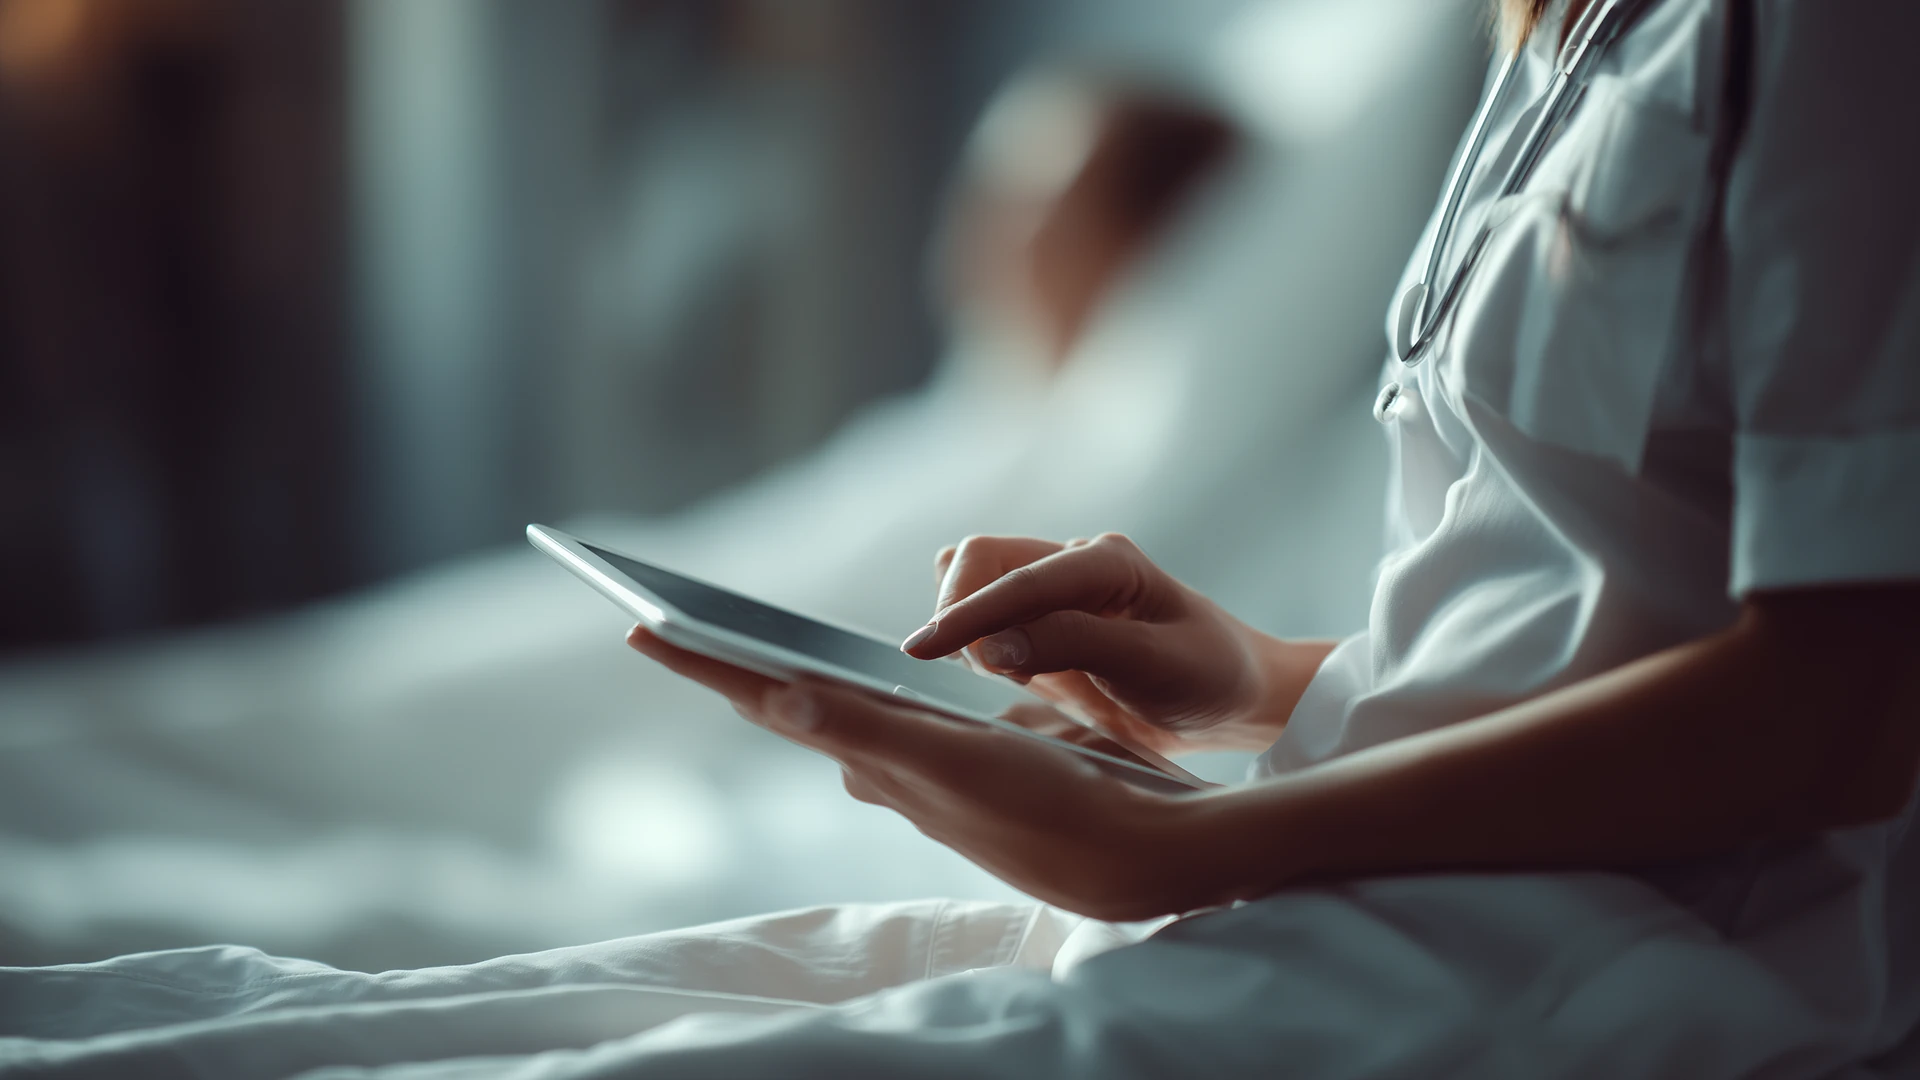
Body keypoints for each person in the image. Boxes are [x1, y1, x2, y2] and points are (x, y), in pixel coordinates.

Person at [17, 0, 1912, 1076]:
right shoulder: (1557, 38)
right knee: (251, 1022)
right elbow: (1592, 612)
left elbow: (1846, 695)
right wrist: (1243, 673)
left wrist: (1203, 832)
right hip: (1382, 886)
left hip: (1591, 964)